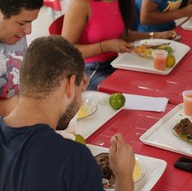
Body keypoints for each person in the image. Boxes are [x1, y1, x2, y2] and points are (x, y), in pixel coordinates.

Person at [0, 35, 134, 190]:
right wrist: (124, 174)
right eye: (80, 90)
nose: (81, 100)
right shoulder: (73, 160)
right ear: (70, 85)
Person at [62, 0, 177, 91]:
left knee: (156, 82)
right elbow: (65, 51)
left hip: (118, 62)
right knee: (129, 93)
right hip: (87, 70)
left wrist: (155, 36)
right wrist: (106, 46)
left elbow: (123, 35)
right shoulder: (81, 2)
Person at [0, 0, 43, 117]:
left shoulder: (16, 34)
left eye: (31, 23)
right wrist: (6, 108)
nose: (28, 31)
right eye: (22, 23)